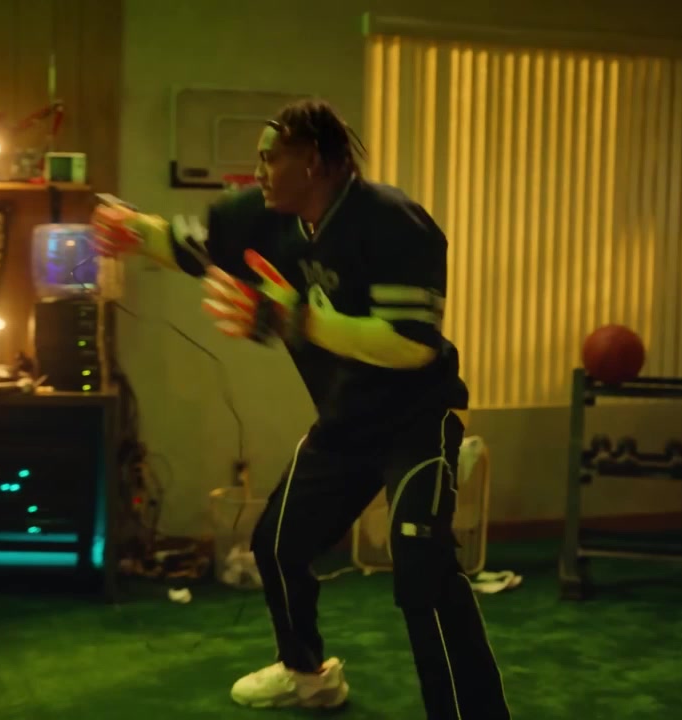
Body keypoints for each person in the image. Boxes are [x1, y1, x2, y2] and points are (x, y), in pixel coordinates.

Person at [91, 99, 510, 718]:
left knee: (421, 560)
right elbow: (187, 247)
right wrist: (132, 229)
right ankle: (308, 676)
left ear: (312, 162)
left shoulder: (393, 221)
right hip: (346, 421)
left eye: (271, 157)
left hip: (420, 418)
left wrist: (295, 318)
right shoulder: (262, 219)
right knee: (277, 544)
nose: (258, 170)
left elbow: (411, 347)